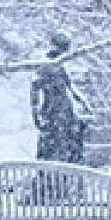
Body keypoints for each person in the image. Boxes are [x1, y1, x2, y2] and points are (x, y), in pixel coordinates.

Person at [31, 32, 92, 165]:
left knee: (67, 146)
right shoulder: (47, 65)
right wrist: (36, 115)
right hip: (53, 112)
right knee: (57, 148)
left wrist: (84, 104)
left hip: (62, 112)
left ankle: (65, 171)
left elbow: (70, 87)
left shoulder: (59, 65)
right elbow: (35, 90)